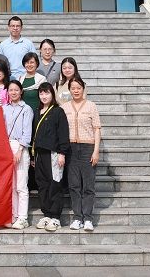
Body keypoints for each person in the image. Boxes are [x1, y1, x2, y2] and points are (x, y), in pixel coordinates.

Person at [64, 78, 102, 232]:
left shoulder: (91, 106)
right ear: (69, 90)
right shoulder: (65, 107)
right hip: (71, 148)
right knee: (74, 185)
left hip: (88, 148)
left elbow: (97, 129)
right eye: (73, 88)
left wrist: (96, 151)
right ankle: (77, 217)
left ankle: (87, 218)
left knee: (88, 186)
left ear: (83, 89)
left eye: (78, 88)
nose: (76, 90)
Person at [31, 82, 70, 232]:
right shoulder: (37, 111)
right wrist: (33, 156)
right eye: (41, 93)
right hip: (39, 154)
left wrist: (62, 153)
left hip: (53, 153)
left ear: (52, 94)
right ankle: (46, 214)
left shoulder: (58, 111)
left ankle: (55, 217)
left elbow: (63, 133)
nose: (44, 96)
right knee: (42, 184)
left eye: (46, 93)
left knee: (55, 183)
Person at [3, 81, 33, 230]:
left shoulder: (26, 109)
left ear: (21, 91)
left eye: (16, 90)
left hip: (20, 146)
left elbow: (27, 132)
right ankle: (13, 215)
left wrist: (20, 150)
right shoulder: (4, 109)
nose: (13, 92)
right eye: (11, 90)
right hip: (6, 146)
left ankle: (22, 217)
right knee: (12, 185)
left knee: (21, 185)